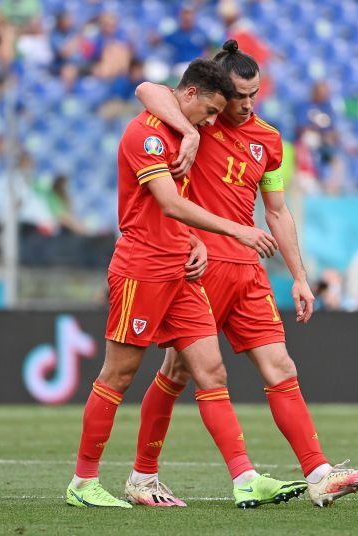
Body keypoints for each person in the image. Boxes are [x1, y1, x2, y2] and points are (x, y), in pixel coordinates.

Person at [133, 40, 358, 508]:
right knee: (180, 371)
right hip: (198, 267)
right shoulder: (195, 120)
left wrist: (300, 277)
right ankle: (146, 475)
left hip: (248, 269)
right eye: (239, 96)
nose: (246, 105)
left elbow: (278, 212)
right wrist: (186, 134)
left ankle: (319, 473)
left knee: (281, 366)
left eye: (254, 94)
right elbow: (147, 88)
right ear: (219, 92)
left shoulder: (269, 139)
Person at [65, 59, 303, 510]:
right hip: (142, 268)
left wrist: (194, 241)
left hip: (183, 268)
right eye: (209, 112)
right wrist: (236, 230)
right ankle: (83, 481)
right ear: (190, 96)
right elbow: (170, 204)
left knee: (211, 371)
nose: (213, 122)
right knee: (118, 375)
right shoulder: (147, 135)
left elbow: (186, 197)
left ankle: (244, 477)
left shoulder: (183, 131)